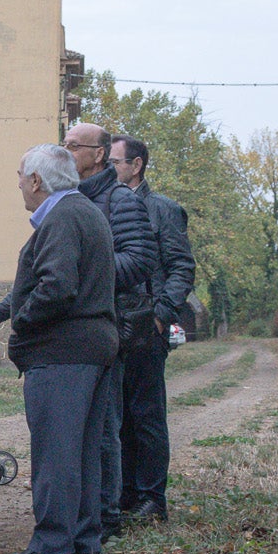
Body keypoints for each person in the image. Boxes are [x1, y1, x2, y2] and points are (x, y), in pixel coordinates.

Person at [0, 144, 118, 554]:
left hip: (63, 351)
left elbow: (56, 287)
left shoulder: (61, 218)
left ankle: (53, 543)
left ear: (37, 181)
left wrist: (23, 324)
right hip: (90, 347)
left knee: (57, 450)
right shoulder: (84, 212)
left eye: (21, 176)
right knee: (81, 448)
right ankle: (83, 538)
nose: (20, 185)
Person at [62, 122, 156, 544]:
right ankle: (84, 511)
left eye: (73, 146)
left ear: (98, 155)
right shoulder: (70, 199)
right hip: (76, 327)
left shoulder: (119, 200)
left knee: (105, 425)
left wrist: (86, 275)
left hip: (108, 325)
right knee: (82, 425)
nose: (65, 151)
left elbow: (139, 260)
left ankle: (107, 515)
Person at [110, 136, 196, 524]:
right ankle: (125, 493)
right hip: (112, 323)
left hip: (148, 324)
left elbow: (181, 267)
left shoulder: (163, 210)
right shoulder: (107, 206)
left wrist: (162, 314)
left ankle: (151, 498)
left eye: (114, 161)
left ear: (137, 165)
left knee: (146, 412)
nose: (108, 167)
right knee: (118, 413)